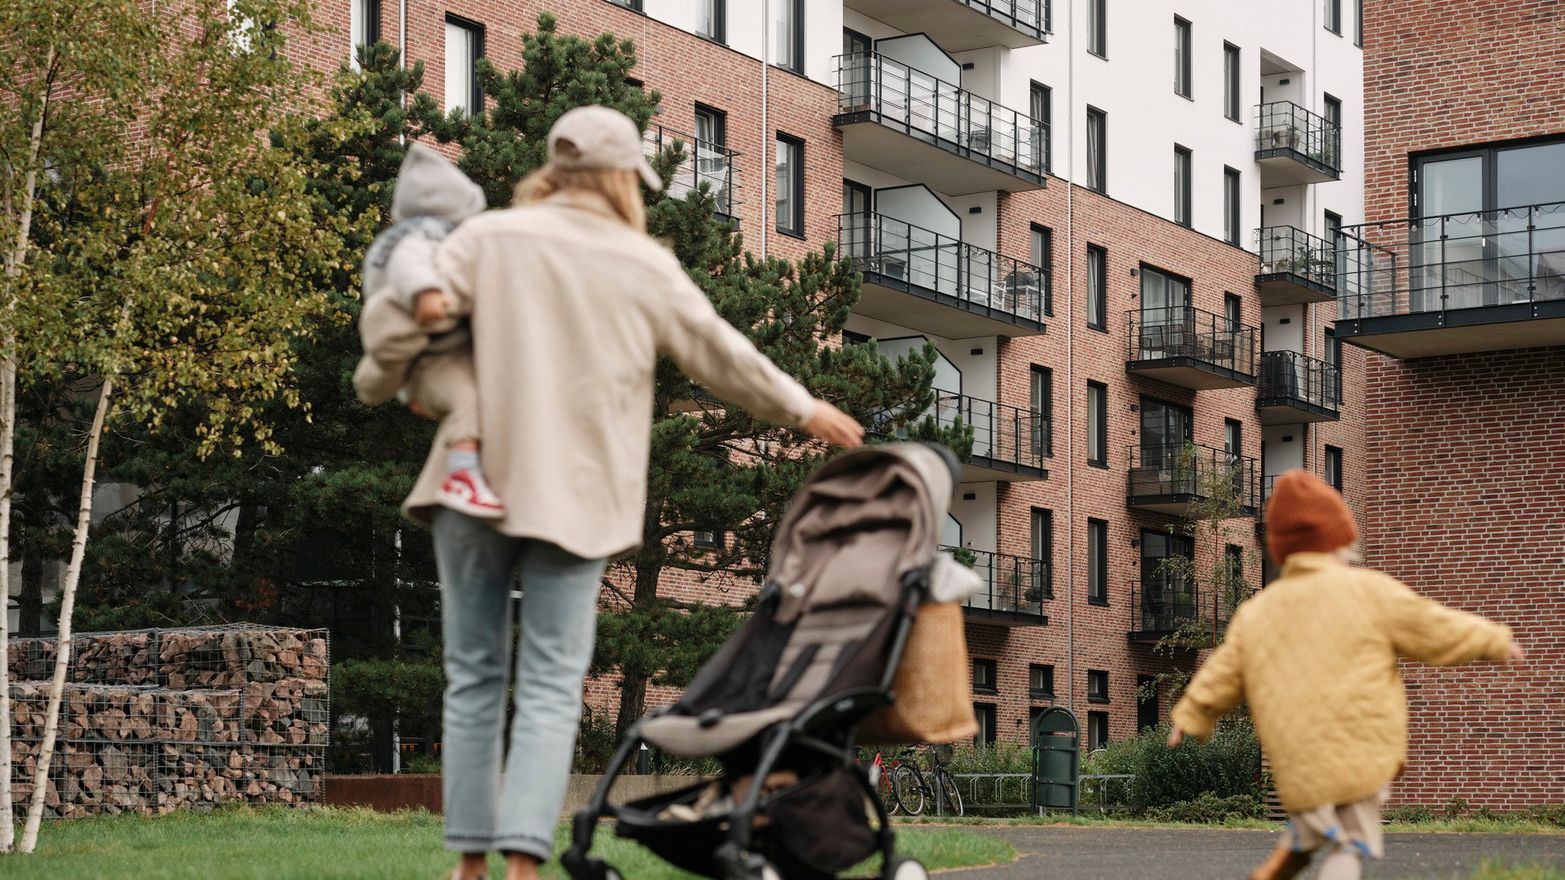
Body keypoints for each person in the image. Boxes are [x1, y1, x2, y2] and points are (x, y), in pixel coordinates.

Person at [376, 106, 864, 880]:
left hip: (469, 481)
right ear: (620, 179)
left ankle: (467, 868)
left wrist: (405, 380)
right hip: (572, 497)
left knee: (470, 676)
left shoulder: (487, 236)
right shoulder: (640, 263)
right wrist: (804, 408)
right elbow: (722, 355)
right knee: (548, 686)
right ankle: (523, 869)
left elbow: (412, 310)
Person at [1168, 470, 1525, 880]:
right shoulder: (1369, 592)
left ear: (1283, 550)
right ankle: (1319, 851)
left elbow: (1223, 670)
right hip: (1362, 747)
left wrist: (1191, 714)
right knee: (1349, 842)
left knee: (1316, 811)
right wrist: (1495, 641)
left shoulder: (1259, 611)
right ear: (1341, 538)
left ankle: (1296, 849)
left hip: (1296, 756)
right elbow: (1435, 628)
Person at [355, 143, 505, 519]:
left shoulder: (411, 235)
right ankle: (463, 477)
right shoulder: (422, 235)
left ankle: (472, 469)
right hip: (429, 359)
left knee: (476, 392)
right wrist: (426, 292)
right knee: (470, 399)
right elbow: (411, 263)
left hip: (432, 357)